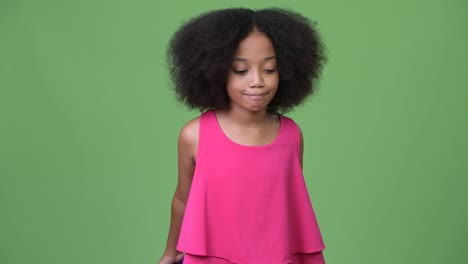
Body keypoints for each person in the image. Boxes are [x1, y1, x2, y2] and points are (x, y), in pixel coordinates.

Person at [159, 7, 327, 264]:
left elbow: (288, 206)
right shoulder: (194, 135)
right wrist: (170, 253)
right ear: (216, 71)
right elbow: (182, 198)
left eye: (269, 69)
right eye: (241, 71)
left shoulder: (291, 134)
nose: (257, 81)